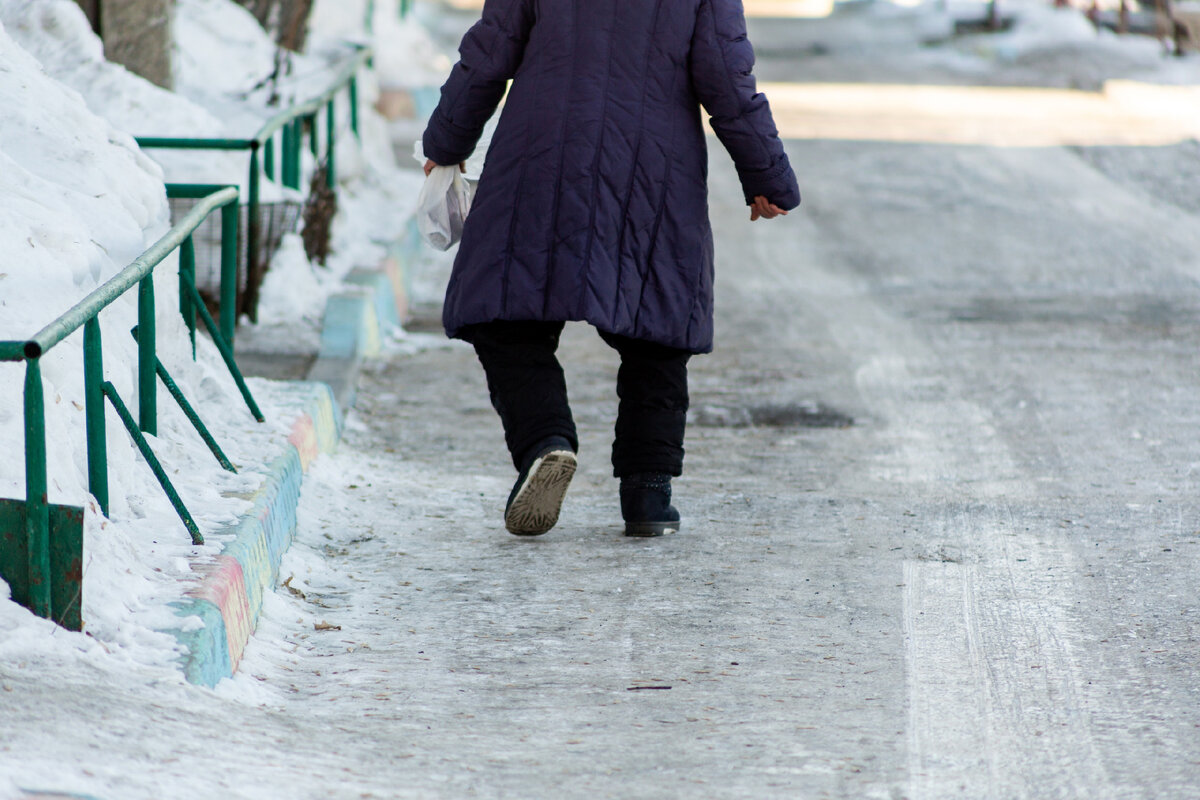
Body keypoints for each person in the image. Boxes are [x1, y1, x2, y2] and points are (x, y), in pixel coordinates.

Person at [421, 0, 800, 538]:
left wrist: (446, 142)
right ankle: (648, 494)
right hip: (654, 162)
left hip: (542, 148)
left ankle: (545, 440)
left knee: (503, 310)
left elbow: (490, 49)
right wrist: (767, 175)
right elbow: (727, 76)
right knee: (657, 324)